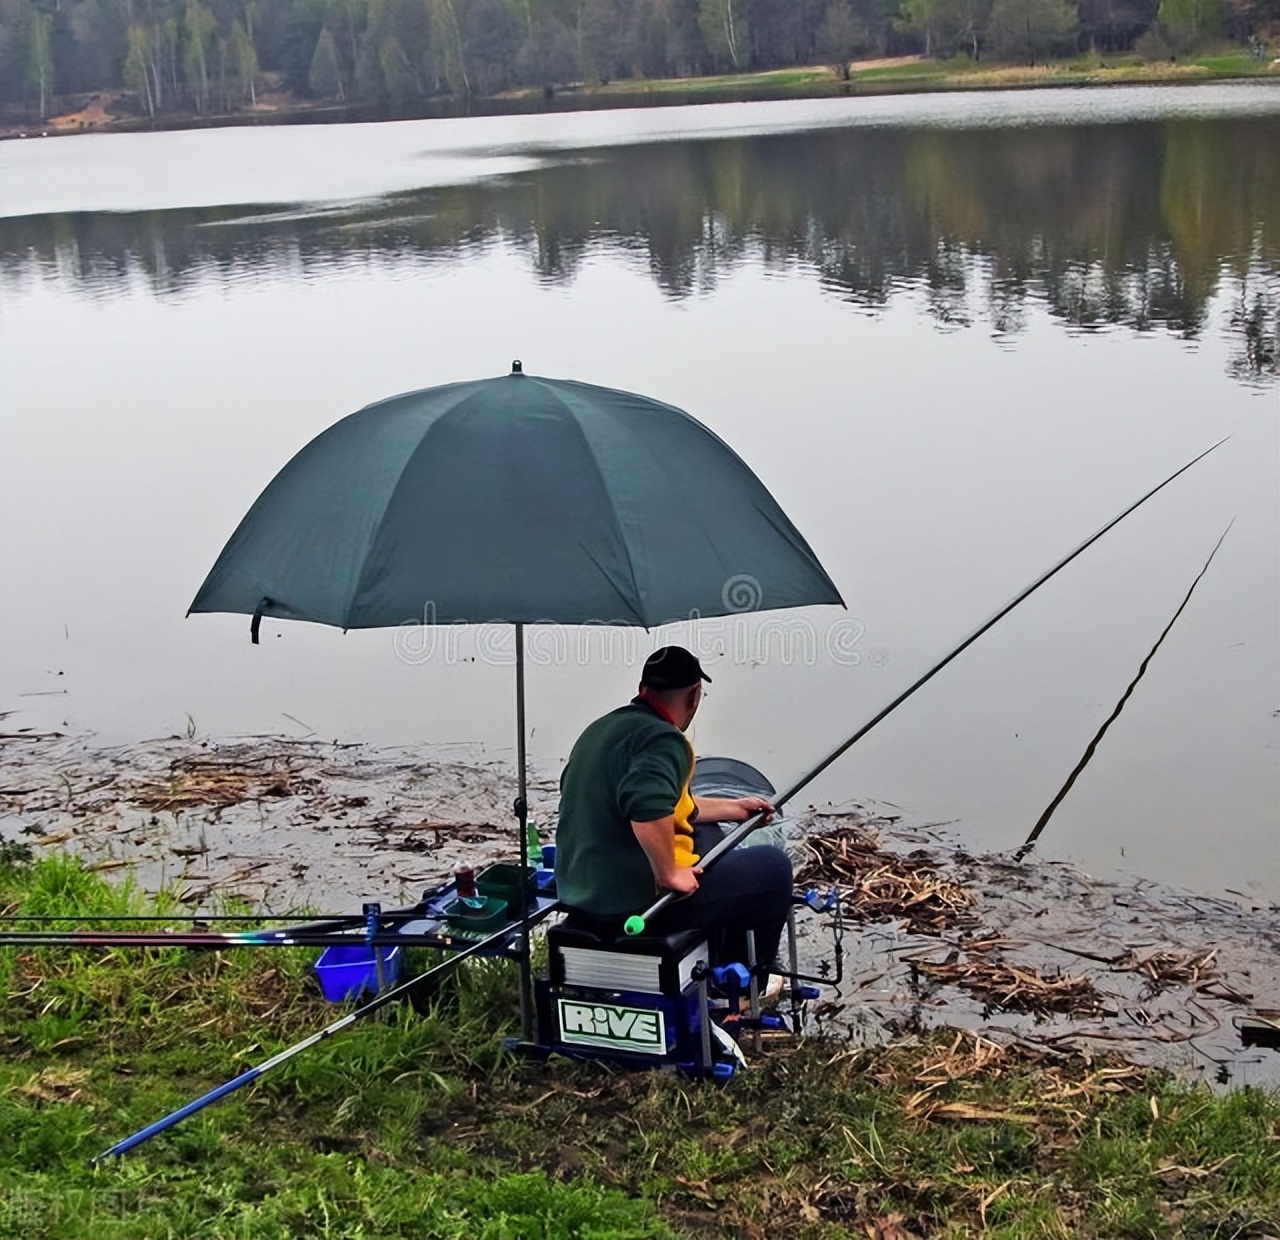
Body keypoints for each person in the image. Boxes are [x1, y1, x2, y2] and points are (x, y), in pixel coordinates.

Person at [555, 645, 794, 971]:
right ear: (694, 696)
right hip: (637, 905)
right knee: (773, 869)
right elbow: (647, 809)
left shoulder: (600, 730)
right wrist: (669, 874)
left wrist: (735, 809)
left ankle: (718, 953)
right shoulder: (664, 741)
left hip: (584, 891)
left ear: (642, 690)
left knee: (710, 836)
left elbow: (674, 808)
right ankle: (743, 984)